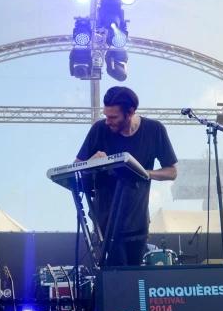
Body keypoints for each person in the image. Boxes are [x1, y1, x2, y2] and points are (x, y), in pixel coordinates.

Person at [75, 86, 178, 266]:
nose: (107, 121)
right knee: (117, 280)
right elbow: (77, 167)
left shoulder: (154, 130)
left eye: (113, 117)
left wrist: (142, 172)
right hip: (106, 224)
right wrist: (92, 161)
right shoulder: (99, 129)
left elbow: (171, 171)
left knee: (134, 280)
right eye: (106, 115)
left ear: (130, 112)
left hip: (138, 222)